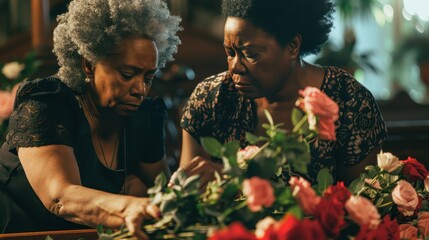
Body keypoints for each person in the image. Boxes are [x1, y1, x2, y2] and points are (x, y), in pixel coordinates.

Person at [0, 0, 181, 238]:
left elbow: (160, 194)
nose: (141, 89)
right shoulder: (48, 104)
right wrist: (127, 204)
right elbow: (61, 197)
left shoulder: (144, 116)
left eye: (149, 77)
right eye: (128, 74)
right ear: (89, 64)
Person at [179, 0, 387, 187]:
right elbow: (185, 194)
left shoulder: (348, 99)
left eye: (250, 54)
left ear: (293, 46)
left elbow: (362, 204)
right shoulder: (210, 98)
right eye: (230, 53)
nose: (235, 67)